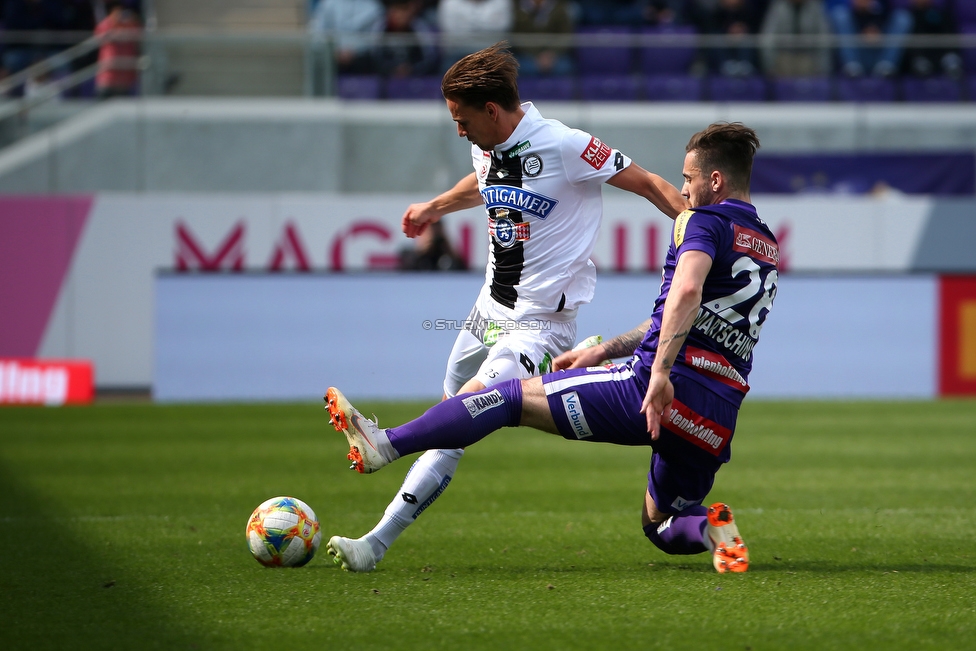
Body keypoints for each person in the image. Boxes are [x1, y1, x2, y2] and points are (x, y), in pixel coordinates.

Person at [326, 122, 778, 575]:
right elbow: (682, 320)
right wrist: (605, 350)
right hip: (717, 415)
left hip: (658, 389)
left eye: (688, 178)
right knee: (661, 524)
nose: (683, 189)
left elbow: (685, 294)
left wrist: (658, 373)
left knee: (506, 399)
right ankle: (712, 528)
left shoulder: (704, 222)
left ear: (714, 180)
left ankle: (384, 444)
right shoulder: (766, 245)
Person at [325, 42, 688, 573]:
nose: (459, 130)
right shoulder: (488, 144)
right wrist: (436, 206)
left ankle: (385, 446)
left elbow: (651, 183)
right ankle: (373, 547)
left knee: (472, 404)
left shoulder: (566, 145)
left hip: (539, 327)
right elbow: (485, 178)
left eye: (462, 119)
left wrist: (704, 235)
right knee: (451, 424)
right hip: (485, 312)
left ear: (492, 111)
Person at [829, 0, 913, 77]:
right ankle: (852, 67)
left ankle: (886, 66)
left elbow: (891, 11)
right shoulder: (849, 8)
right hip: (857, 50)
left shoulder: (885, 5)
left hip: (881, 49)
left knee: (903, 18)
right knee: (840, 15)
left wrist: (876, 27)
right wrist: (858, 9)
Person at [760, 0, 833, 77]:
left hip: (808, 57)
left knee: (805, 67)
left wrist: (823, 67)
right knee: (785, 67)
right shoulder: (778, 7)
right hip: (784, 57)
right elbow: (767, 38)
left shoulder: (816, 6)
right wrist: (770, 65)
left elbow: (824, 38)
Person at [512, 0, 576, 77]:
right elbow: (519, 36)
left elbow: (565, 35)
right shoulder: (519, 8)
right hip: (529, 54)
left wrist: (551, 53)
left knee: (565, 67)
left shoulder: (559, 8)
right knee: (522, 67)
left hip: (555, 54)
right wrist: (536, 55)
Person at [94, 1, 142, 99]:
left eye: (121, 11)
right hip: (107, 78)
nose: (120, 14)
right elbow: (100, 34)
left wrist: (132, 19)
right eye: (117, 11)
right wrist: (115, 23)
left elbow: (139, 32)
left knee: (123, 109)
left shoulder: (129, 24)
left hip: (124, 80)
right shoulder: (106, 24)